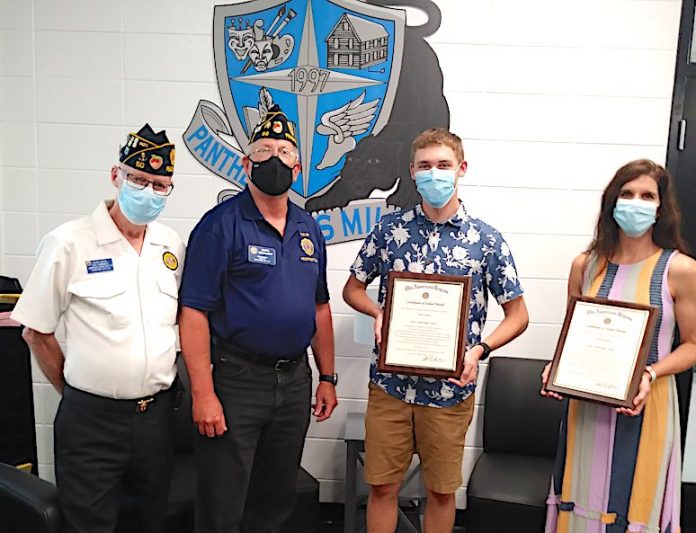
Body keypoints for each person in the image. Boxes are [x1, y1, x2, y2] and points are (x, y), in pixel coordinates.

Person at [343, 128, 529, 533]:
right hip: (390, 385)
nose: (434, 174)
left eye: (443, 165)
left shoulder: (487, 240)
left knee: (442, 492)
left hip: (450, 390)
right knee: (381, 487)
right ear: (411, 172)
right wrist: (377, 313)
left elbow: (518, 314)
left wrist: (480, 349)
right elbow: (352, 288)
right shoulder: (390, 230)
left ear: (461, 169)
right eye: (425, 166)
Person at [11, 124, 184, 533]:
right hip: (91, 420)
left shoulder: (170, 245)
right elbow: (35, 330)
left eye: (160, 185)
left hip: (156, 416)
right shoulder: (69, 242)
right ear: (116, 176)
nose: (148, 192)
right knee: (89, 524)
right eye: (139, 179)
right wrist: (75, 391)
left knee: (150, 521)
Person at [178, 103, 338, 533]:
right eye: (263, 149)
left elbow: (320, 305)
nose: (274, 158)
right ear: (246, 163)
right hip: (235, 381)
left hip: (294, 383)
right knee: (223, 503)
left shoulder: (309, 229)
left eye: (284, 152)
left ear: (299, 168)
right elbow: (193, 312)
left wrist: (328, 376)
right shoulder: (220, 225)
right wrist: (203, 393)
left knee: (274, 499)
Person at [542, 159, 696, 532]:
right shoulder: (585, 265)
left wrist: (651, 372)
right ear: (612, 202)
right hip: (586, 408)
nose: (636, 202)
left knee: (633, 504)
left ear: (661, 208)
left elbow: (692, 345)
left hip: (646, 405)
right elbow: (572, 335)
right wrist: (556, 368)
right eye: (627, 194)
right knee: (580, 501)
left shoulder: (680, 269)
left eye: (647, 195)